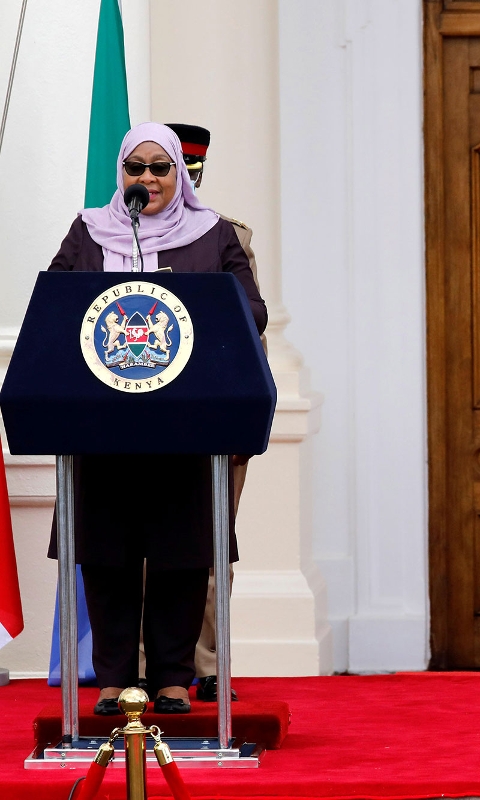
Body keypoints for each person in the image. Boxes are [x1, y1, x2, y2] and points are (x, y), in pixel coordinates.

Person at [47, 122, 267, 715]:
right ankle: (115, 678)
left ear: (179, 174)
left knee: (182, 551)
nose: (146, 178)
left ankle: (173, 679)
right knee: (107, 551)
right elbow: (52, 304)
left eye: (159, 167)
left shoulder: (212, 233)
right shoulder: (89, 231)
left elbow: (251, 309)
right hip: (101, 422)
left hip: (185, 423)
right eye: (135, 168)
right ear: (122, 173)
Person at [167, 122, 260, 703]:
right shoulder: (116, 233)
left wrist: (245, 412)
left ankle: (207, 662)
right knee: (141, 552)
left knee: (208, 546)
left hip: (211, 415)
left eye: (185, 169)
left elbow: (252, 332)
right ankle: (149, 665)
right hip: (137, 421)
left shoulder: (223, 235)